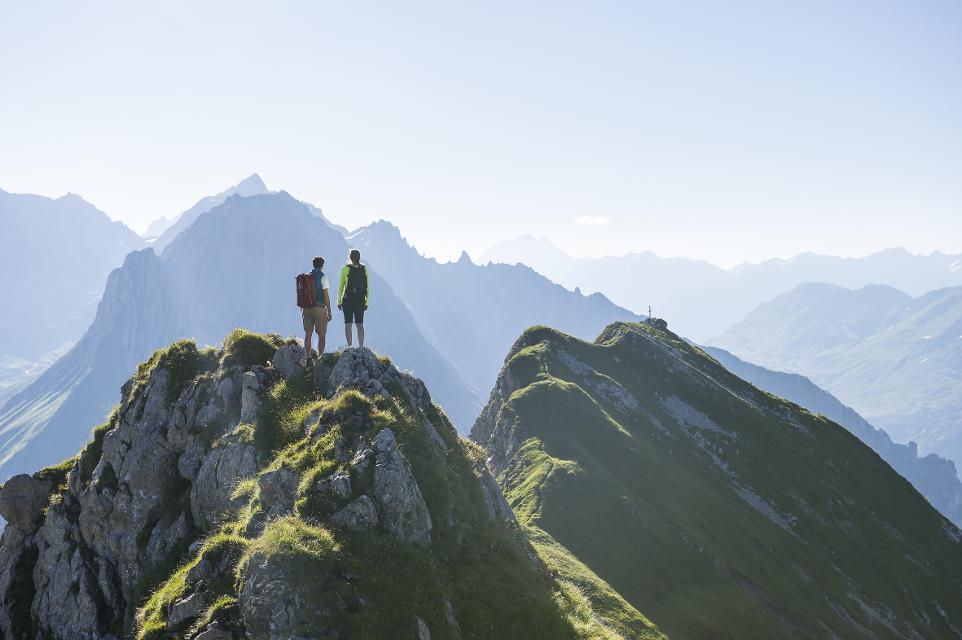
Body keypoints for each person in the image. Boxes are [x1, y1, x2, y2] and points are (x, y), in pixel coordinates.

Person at [302, 256, 332, 362]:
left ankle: (308, 357)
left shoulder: (306, 276)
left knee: (308, 333)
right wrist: (329, 310)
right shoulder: (323, 277)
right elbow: (326, 295)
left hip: (306, 308)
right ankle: (320, 358)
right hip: (319, 308)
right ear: (322, 265)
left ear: (313, 264)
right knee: (322, 335)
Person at [338, 249, 369, 348]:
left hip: (347, 300)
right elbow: (367, 287)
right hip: (360, 300)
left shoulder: (345, 268)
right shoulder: (364, 269)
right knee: (359, 324)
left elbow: (341, 286)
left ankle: (350, 346)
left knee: (348, 324)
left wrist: (339, 301)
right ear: (359, 258)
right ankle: (361, 347)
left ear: (350, 257)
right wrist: (366, 302)